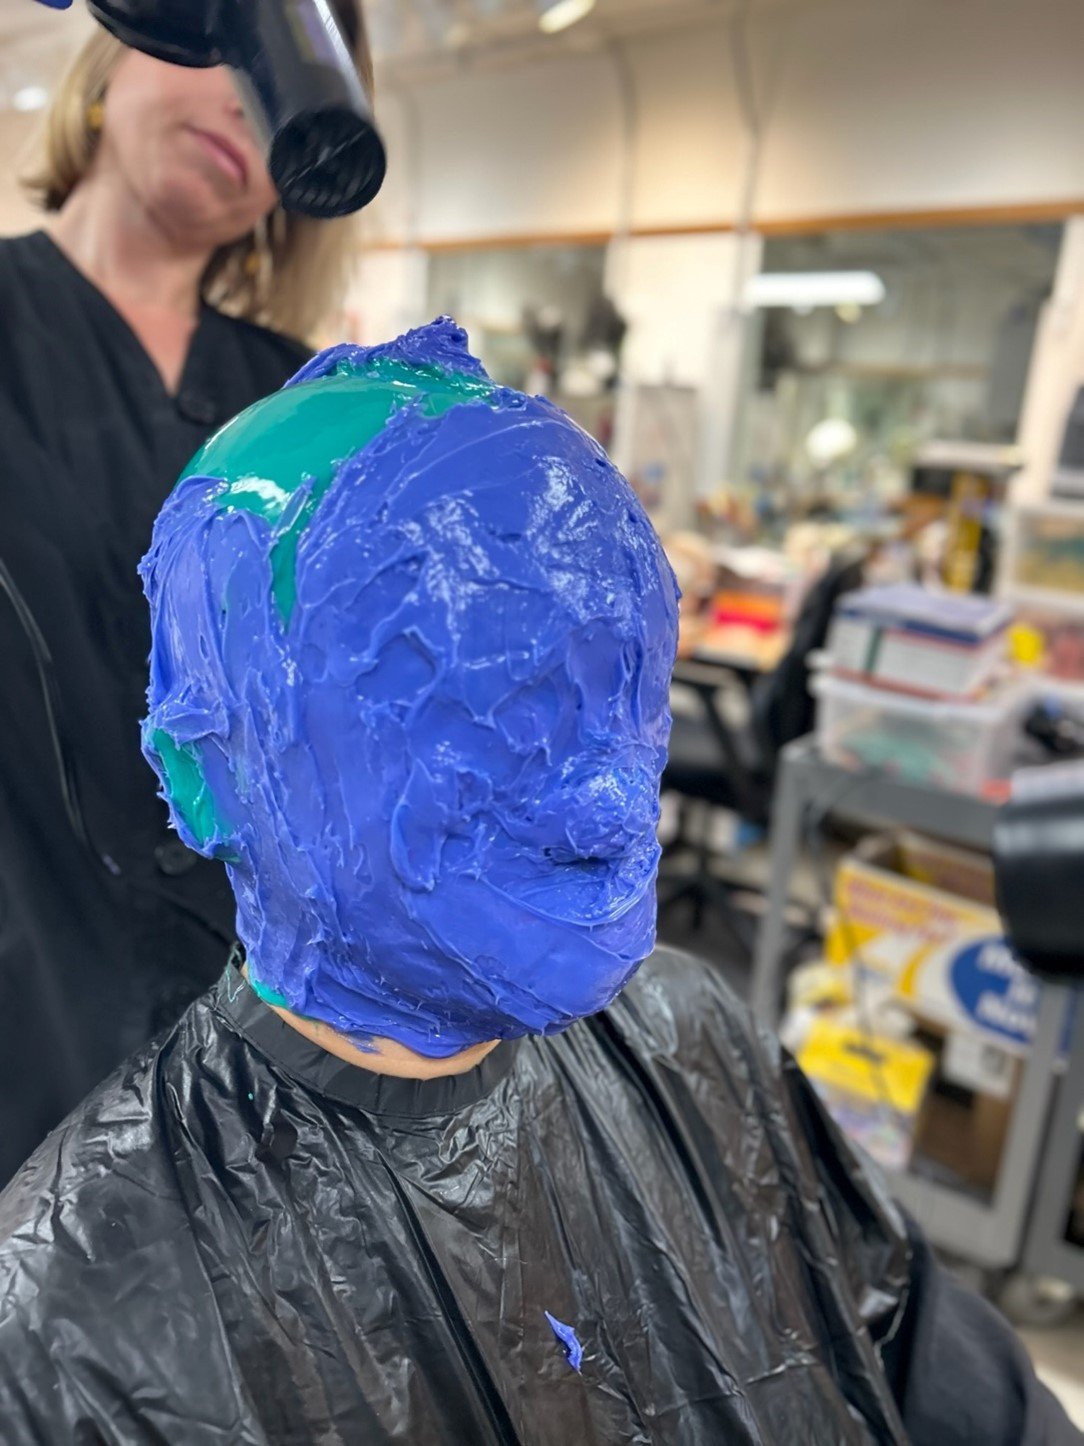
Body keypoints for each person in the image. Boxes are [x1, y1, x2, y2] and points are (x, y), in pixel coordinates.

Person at [0, 319, 1077, 1446]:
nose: (616, 796)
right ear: (204, 768)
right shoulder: (72, 1334)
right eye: (491, 704)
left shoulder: (695, 1038)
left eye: (628, 686)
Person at [0, 1, 373, 1185]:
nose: (240, 101)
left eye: (285, 83)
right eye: (224, 41)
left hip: (248, 1086)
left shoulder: (310, 410)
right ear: (116, 50)